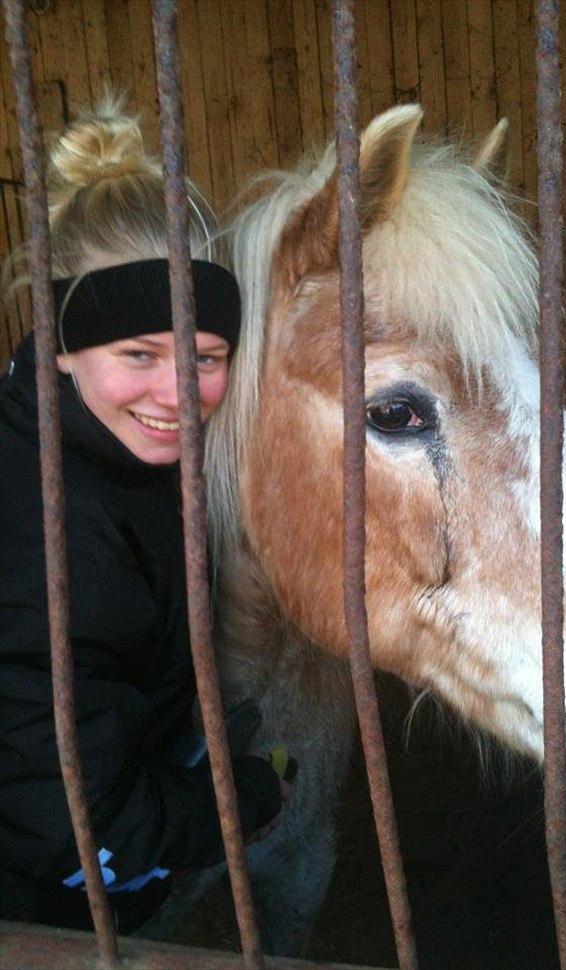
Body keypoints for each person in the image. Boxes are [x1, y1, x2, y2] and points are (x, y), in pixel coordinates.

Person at [0, 97, 284, 934]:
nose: (177, 395)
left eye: (204, 357)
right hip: (43, 916)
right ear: (61, 343)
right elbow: (77, 836)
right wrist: (248, 795)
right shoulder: (50, 539)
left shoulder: (97, 443)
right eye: (138, 354)